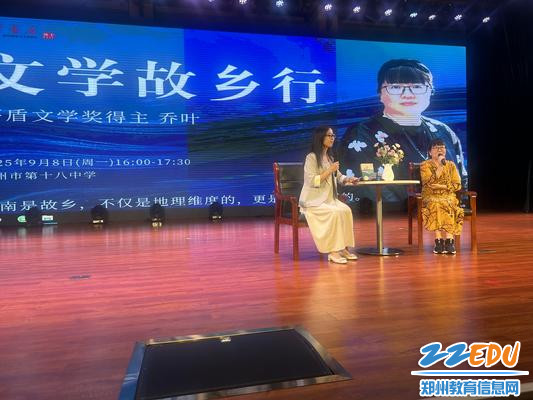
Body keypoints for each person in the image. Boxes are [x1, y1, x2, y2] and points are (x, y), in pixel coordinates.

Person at [339, 59, 467, 208]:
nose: (407, 94)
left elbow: (461, 177)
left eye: (417, 87)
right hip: (391, 214)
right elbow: (366, 183)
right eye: (396, 87)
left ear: (430, 92)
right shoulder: (361, 133)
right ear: (380, 93)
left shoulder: (443, 131)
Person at [299, 126, 360, 264]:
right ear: (320, 137)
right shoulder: (311, 157)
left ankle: (343, 248)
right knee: (334, 213)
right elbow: (312, 181)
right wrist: (329, 170)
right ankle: (333, 251)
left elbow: (338, 176)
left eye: (333, 136)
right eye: (329, 135)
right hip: (313, 201)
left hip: (329, 200)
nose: (332, 138)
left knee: (346, 210)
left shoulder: (329, 157)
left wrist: (348, 179)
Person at [420, 138, 464, 254]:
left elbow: (457, 185)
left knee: (448, 202)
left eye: (442, 147)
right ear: (430, 152)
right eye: (436, 148)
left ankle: (450, 240)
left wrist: (443, 187)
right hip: (431, 195)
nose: (440, 150)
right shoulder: (425, 165)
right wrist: (440, 166)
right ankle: (438, 240)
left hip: (448, 195)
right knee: (436, 203)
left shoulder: (451, 165)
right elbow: (429, 183)